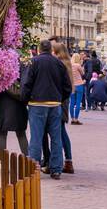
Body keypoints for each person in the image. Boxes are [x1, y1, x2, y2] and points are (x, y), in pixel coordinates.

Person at [22, 38, 72, 180]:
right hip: (55, 105)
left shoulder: (34, 62)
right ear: (51, 50)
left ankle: (34, 168)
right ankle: (56, 169)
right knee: (56, 137)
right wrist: (59, 99)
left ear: (39, 49)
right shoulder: (59, 63)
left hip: (37, 104)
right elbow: (67, 87)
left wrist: (26, 100)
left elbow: (26, 84)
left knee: (36, 137)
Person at [0, 68, 30, 156]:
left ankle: (2, 160)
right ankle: (27, 158)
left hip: (3, 105)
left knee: (2, 133)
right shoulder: (22, 68)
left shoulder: (0, 71)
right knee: (21, 133)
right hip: (19, 106)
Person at [67, 52, 85, 125]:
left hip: (72, 86)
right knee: (78, 103)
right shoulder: (78, 65)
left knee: (71, 102)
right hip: (79, 85)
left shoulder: (69, 66)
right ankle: (76, 119)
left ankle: (72, 119)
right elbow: (82, 74)